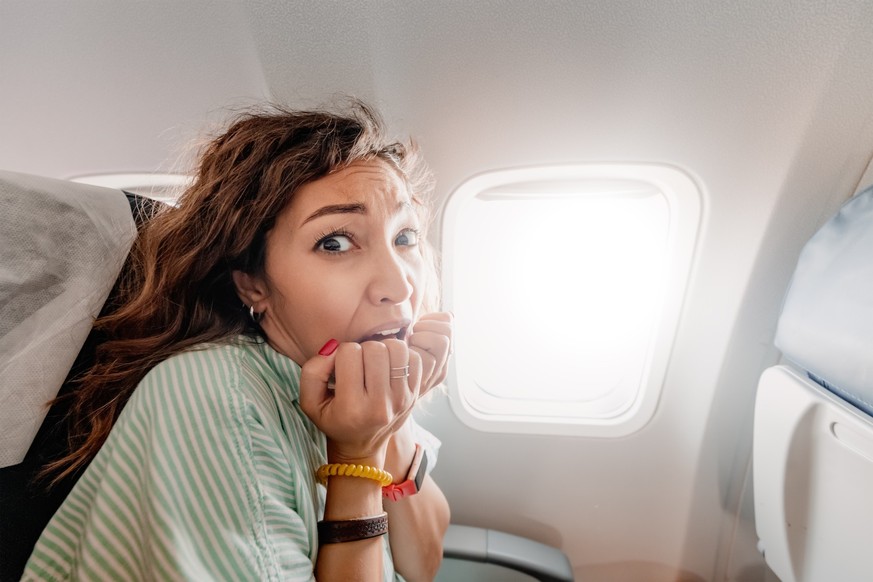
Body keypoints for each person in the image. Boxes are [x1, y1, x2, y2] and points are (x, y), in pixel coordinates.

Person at [23, 101, 452, 581]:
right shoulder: (213, 395)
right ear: (253, 284)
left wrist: (393, 422)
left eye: (405, 236)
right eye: (334, 243)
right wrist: (356, 460)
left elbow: (423, 564)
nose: (399, 286)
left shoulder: (352, 386)